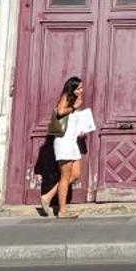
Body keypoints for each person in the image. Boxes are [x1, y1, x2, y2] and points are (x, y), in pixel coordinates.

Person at [39, 77, 94, 217]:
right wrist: (74, 107)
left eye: (82, 87)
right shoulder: (66, 97)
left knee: (75, 174)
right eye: (78, 88)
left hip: (72, 141)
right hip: (63, 142)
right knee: (65, 176)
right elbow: (59, 111)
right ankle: (62, 211)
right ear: (72, 89)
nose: (81, 90)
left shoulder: (76, 100)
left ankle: (48, 196)